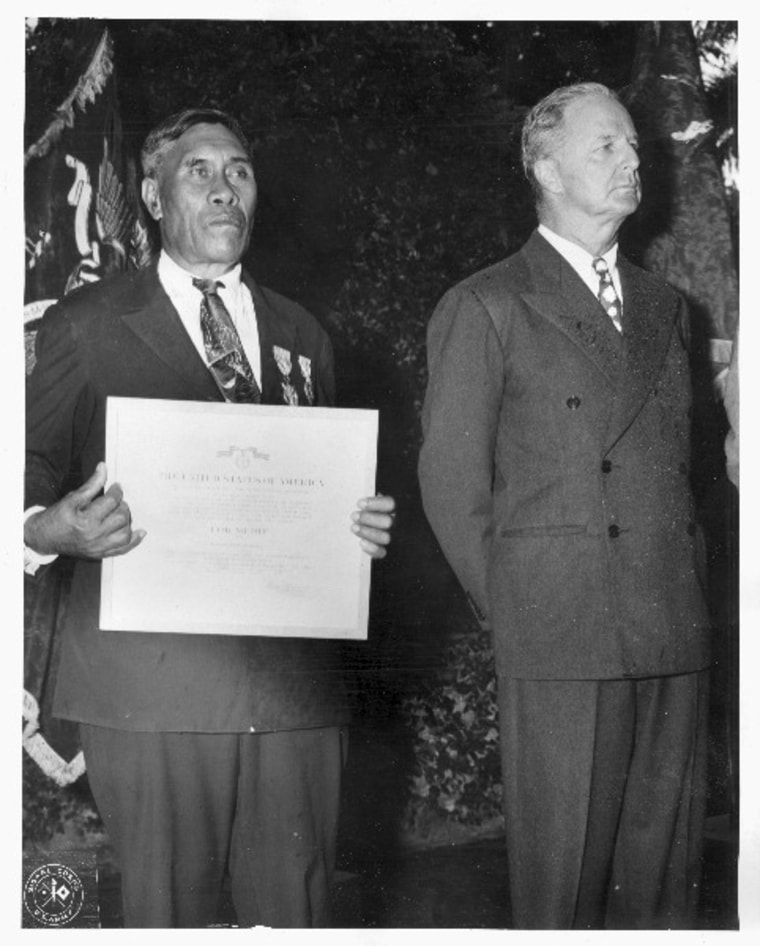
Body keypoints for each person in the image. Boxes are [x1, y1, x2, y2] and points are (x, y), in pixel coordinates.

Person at [24, 107, 395, 928]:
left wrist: (360, 527)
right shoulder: (85, 328)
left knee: (294, 915)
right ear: (153, 199)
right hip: (152, 691)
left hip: (295, 692)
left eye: (240, 172)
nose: (225, 189)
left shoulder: (304, 333)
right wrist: (48, 529)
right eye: (199, 171)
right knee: (171, 918)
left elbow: (317, 494)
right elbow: (27, 472)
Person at [418, 83, 711, 930]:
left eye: (632, 144)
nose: (632, 160)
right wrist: (518, 609)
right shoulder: (489, 303)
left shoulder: (665, 307)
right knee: (566, 890)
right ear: (545, 168)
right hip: (561, 634)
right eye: (606, 147)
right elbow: (452, 485)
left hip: (672, 625)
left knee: (663, 889)